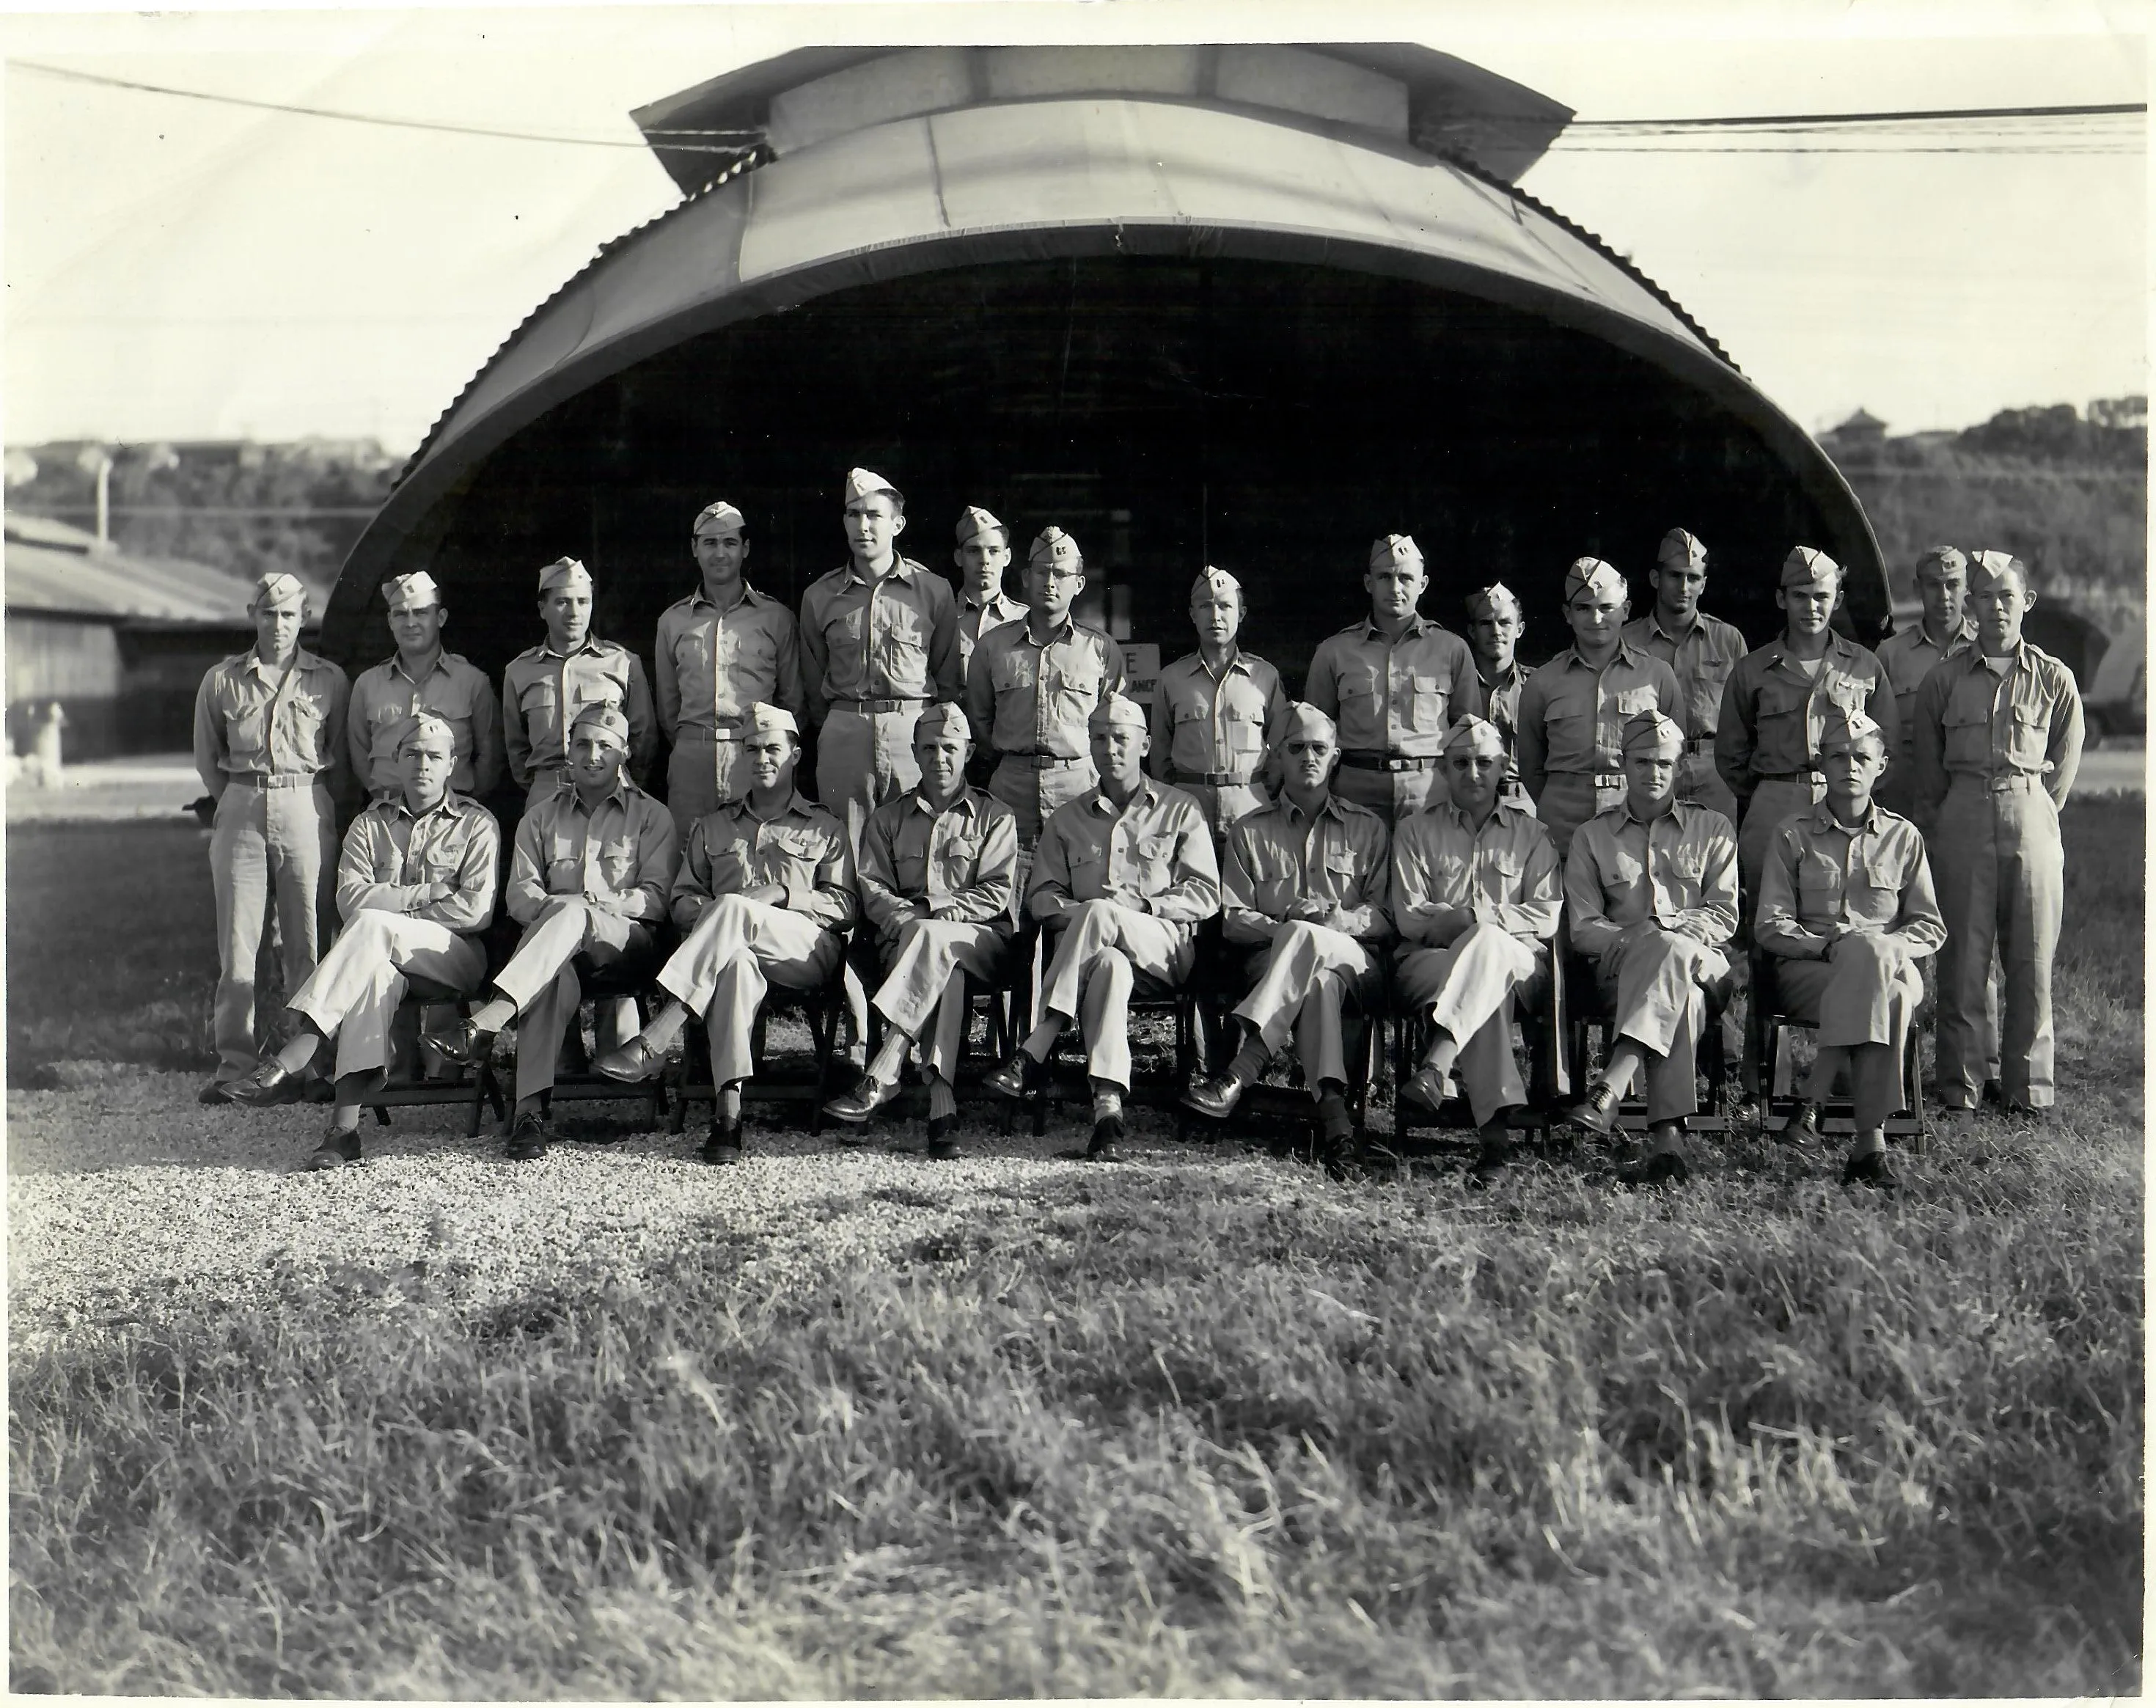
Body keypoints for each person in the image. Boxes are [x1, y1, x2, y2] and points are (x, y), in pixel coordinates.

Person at [224, 714, 501, 1168]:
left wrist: (389, 908)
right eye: (412, 755)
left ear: (452, 764)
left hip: (454, 954)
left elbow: (474, 911)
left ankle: (298, 1051)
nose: (423, 766)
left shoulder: (476, 825)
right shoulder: (370, 825)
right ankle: (343, 1132)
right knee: (371, 973)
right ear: (396, 761)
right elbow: (349, 900)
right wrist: (425, 894)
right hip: (378, 952)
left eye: (435, 757)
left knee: (373, 927)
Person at [592, 704, 856, 1163]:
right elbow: (682, 901)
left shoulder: (825, 826)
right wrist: (726, 914)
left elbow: (844, 906)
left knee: (736, 908)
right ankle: (728, 1119)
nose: (762, 759)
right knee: (734, 962)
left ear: (795, 754)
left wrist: (780, 892)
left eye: (773, 748)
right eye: (751, 749)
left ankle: (661, 1032)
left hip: (807, 951)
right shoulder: (713, 826)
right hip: (730, 955)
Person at [422, 705, 678, 1159]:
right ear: (569, 753)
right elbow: (520, 897)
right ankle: (529, 1116)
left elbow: (656, 899)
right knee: (550, 972)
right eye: (583, 744)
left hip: (625, 946)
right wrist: (563, 912)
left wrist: (589, 907)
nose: (593, 754)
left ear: (624, 753)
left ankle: (489, 1019)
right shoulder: (539, 818)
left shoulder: (652, 816)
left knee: (571, 915)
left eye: (605, 745)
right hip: (554, 954)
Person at [983, 694, 1221, 1157]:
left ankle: (1038, 1044)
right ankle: (1108, 1112)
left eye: (1120, 739)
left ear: (1145, 745)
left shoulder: (1180, 810)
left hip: (1165, 950)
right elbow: (1041, 899)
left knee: (1101, 912)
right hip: (1096, 958)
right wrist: (1092, 915)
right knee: (1109, 962)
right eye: (1098, 738)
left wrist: (1139, 909)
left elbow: (1205, 894)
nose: (1109, 749)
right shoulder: (1068, 820)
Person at [1910, 549, 2084, 1118]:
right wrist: (1953, 817)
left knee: (2032, 957)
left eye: (2007, 595)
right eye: (1984, 596)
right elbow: (1930, 769)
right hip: (1961, 815)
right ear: (1970, 605)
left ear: (2026, 602)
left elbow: (2064, 759)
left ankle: (2027, 1089)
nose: (1996, 607)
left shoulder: (2055, 679)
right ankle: (1961, 1086)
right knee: (1962, 957)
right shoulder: (1943, 679)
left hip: (2030, 816)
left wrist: (2032, 807)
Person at [1178, 702, 1390, 1163]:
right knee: (1316, 980)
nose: (1308, 757)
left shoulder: (1368, 829)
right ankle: (1337, 1124)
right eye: (1296, 748)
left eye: (1319, 748)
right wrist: (1287, 930)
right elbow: (1232, 919)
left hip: (1358, 965)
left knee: (1316, 948)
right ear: (1276, 756)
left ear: (1336, 756)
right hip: (1271, 965)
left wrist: (1342, 923)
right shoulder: (1250, 833)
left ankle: (1242, 1068)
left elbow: (1387, 914)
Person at [1756, 708, 1946, 1187]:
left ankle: (1812, 1100)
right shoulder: (1791, 834)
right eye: (1837, 755)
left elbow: (1929, 926)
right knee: (1891, 996)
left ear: (1881, 765)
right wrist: (1828, 945)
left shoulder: (1904, 837)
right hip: (1812, 970)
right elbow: (1771, 925)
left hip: (1893, 963)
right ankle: (1870, 1145)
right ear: (1821, 763)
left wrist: (1886, 946)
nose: (1850, 765)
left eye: (1862, 756)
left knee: (1874, 954)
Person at [821, 705, 1021, 1155]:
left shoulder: (996, 817)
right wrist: (910, 922)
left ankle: (888, 1063)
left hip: (980, 941)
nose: (939, 758)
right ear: (913, 753)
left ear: (968, 752)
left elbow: (996, 893)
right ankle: (941, 1103)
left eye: (950, 748)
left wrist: (932, 913)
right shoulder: (887, 819)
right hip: (910, 949)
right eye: (928, 748)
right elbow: (873, 890)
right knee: (941, 966)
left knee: (934, 939)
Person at [1560, 710, 1739, 1185]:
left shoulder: (1715, 828)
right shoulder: (1592, 836)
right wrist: (1633, 938)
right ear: (1623, 764)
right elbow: (1581, 926)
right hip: (1621, 974)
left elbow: (1724, 916)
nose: (1653, 772)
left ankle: (1614, 1081)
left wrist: (1654, 928)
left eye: (1664, 762)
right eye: (1642, 761)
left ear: (1680, 767)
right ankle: (1668, 1142)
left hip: (1706, 965)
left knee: (1672, 954)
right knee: (1683, 993)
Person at [192, 571, 352, 1102]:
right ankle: (235, 1065)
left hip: (306, 802)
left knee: (308, 939)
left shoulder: (328, 680)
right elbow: (206, 755)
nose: (278, 624)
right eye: (268, 613)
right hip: (241, 802)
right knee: (237, 947)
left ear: (304, 618)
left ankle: (308, 1064)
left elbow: (344, 755)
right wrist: (240, 800)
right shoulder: (222, 680)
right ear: (252, 615)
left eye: (288, 614)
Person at [1390, 714, 1562, 1186]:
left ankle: (1438, 1063)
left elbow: (1547, 915)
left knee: (1488, 945)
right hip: (1430, 964)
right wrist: (1490, 929)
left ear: (1503, 767)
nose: (1473, 773)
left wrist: (1473, 921)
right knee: (1487, 979)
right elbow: (1409, 917)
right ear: (1442, 770)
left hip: (1523, 968)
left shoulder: (1535, 835)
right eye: (1461, 763)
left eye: (1484, 762)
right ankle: (1495, 1145)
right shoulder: (1413, 832)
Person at [1714, 546, 1897, 904]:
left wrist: (1854, 790)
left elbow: (1886, 745)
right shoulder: (1753, 670)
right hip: (1774, 803)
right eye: (1800, 596)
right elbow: (1731, 755)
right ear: (1782, 599)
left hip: (1845, 805)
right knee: (1768, 921)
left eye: (1821, 597)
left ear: (1838, 599)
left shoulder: (1864, 667)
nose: (1811, 608)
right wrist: (1771, 792)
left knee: (1841, 914)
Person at [799, 466, 962, 837]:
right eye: (854, 515)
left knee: (916, 842)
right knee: (844, 848)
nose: (863, 526)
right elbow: (813, 679)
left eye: (874, 515)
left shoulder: (933, 591)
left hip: (913, 732)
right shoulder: (820, 596)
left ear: (898, 524)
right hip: (846, 733)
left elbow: (946, 676)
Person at [652, 499, 805, 839]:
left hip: (753, 756)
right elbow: (668, 708)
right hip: (692, 759)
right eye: (709, 542)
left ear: (745, 548)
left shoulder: (775, 617)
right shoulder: (673, 621)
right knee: (689, 854)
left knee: (752, 853)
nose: (720, 553)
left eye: (730, 543)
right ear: (694, 548)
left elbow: (792, 702)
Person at [965, 525, 1126, 848]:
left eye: (1062, 575)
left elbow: (1116, 724)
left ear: (1079, 584)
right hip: (1012, 786)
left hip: (1078, 785)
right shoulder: (992, 647)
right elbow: (980, 721)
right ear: (1026, 577)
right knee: (1008, 882)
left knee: (1078, 882)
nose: (1050, 583)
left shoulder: (1101, 649)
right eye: (1042, 573)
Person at [1304, 533, 1484, 820]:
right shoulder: (1334, 651)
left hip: (1429, 792)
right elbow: (1312, 732)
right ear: (1368, 583)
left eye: (1406, 578)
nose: (1395, 587)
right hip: (1355, 790)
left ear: (1423, 584)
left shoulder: (1451, 649)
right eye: (1385, 577)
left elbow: (1469, 733)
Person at [1515, 557, 1685, 856]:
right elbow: (1532, 766)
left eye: (1607, 608)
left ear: (1627, 611)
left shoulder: (1657, 675)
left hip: (1637, 820)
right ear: (1567, 614)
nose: (1596, 619)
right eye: (1583, 608)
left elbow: (1675, 754)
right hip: (1564, 827)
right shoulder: (1542, 682)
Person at [1149, 566, 1291, 842]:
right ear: (1192, 614)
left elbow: (1283, 748)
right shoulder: (1171, 679)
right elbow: (1160, 757)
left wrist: (1260, 793)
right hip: (1188, 812)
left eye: (1225, 606)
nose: (1215, 616)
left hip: (1251, 810)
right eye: (1205, 607)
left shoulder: (1265, 677)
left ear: (1242, 613)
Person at [502, 556, 657, 804]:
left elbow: (644, 740)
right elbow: (516, 750)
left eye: (583, 601)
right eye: (563, 602)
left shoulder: (623, 663)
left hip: (611, 792)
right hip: (547, 796)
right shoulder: (519, 671)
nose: (574, 612)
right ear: (542, 608)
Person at [1621, 528, 1746, 822]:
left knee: (1713, 855)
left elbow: (1746, 716)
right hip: (1651, 765)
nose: (1684, 587)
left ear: (1704, 584)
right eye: (1675, 576)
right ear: (1656, 579)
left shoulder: (1728, 640)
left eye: (1693, 578)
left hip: (1714, 769)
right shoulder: (1628, 641)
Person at [345, 571, 503, 803]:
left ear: (440, 618)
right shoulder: (367, 684)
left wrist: (461, 802)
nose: (410, 623)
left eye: (420, 613)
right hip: (387, 815)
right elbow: (359, 757)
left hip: (454, 817)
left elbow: (490, 758)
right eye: (401, 614)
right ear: (390, 621)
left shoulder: (472, 682)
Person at [1874, 546, 1976, 818]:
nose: (1944, 596)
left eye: (1953, 584)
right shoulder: (1890, 655)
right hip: (1908, 807)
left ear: (1967, 588)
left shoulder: (1986, 648)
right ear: (1918, 588)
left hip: (1971, 808)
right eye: (1933, 585)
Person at [1462, 582, 1533, 813]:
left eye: (1505, 622)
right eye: (1485, 623)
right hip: (1465, 802)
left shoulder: (1538, 686)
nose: (1495, 631)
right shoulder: (1454, 686)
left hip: (1524, 803)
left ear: (1520, 629)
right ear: (1472, 631)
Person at [952, 505, 1027, 680]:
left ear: (1007, 557)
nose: (985, 560)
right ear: (958, 557)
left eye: (994, 551)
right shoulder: (940, 619)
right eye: (974, 551)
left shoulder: (1026, 620)